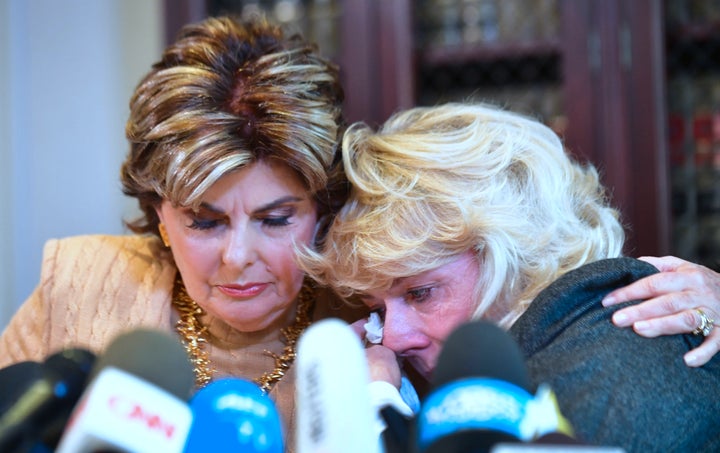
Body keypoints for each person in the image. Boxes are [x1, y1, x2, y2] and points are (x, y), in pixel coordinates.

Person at [0, 15, 364, 451]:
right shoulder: (74, 290)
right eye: (206, 222)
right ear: (159, 216)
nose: (237, 256)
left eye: (274, 220)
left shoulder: (371, 318)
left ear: (321, 211)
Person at [300, 102, 720, 451]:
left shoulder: (613, 371)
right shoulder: (572, 333)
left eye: (420, 293)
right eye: (379, 309)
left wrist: (376, 412)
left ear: (514, 255)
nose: (391, 339)